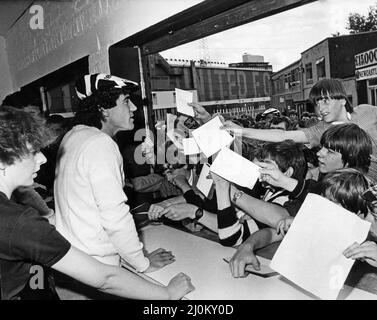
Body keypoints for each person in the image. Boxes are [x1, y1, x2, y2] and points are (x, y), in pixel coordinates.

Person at [0, 106, 194, 300]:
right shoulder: (19, 222)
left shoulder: (13, 213)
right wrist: (167, 294)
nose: (42, 159)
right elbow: (106, 278)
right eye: (32, 151)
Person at [54, 74, 174, 273]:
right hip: (99, 263)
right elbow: (114, 216)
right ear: (104, 109)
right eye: (126, 102)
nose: (134, 108)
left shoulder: (74, 135)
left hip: (78, 256)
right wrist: (142, 263)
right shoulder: (100, 144)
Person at [230, 168, 377, 278]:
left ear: (356, 212)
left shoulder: (369, 238)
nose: (322, 207)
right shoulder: (320, 218)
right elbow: (271, 233)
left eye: (331, 203)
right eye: (321, 200)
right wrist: (247, 246)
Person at [222, 78, 377, 182]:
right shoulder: (321, 129)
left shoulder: (367, 111)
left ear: (342, 99)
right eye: (317, 103)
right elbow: (283, 135)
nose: (321, 108)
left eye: (325, 100)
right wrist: (242, 131)